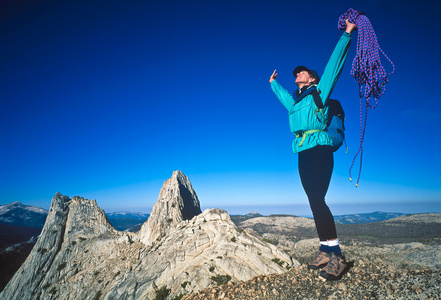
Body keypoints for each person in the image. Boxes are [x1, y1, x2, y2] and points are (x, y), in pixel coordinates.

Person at [269, 19, 357, 280]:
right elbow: (286, 99)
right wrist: (273, 84)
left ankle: (337, 256)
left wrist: (347, 34)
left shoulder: (320, 92)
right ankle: (324, 250)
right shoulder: (297, 103)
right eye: (296, 73)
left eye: (302, 72)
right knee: (313, 201)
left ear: (314, 78)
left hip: (319, 148)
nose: (297, 74)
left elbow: (334, 66)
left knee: (318, 200)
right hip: (302, 150)